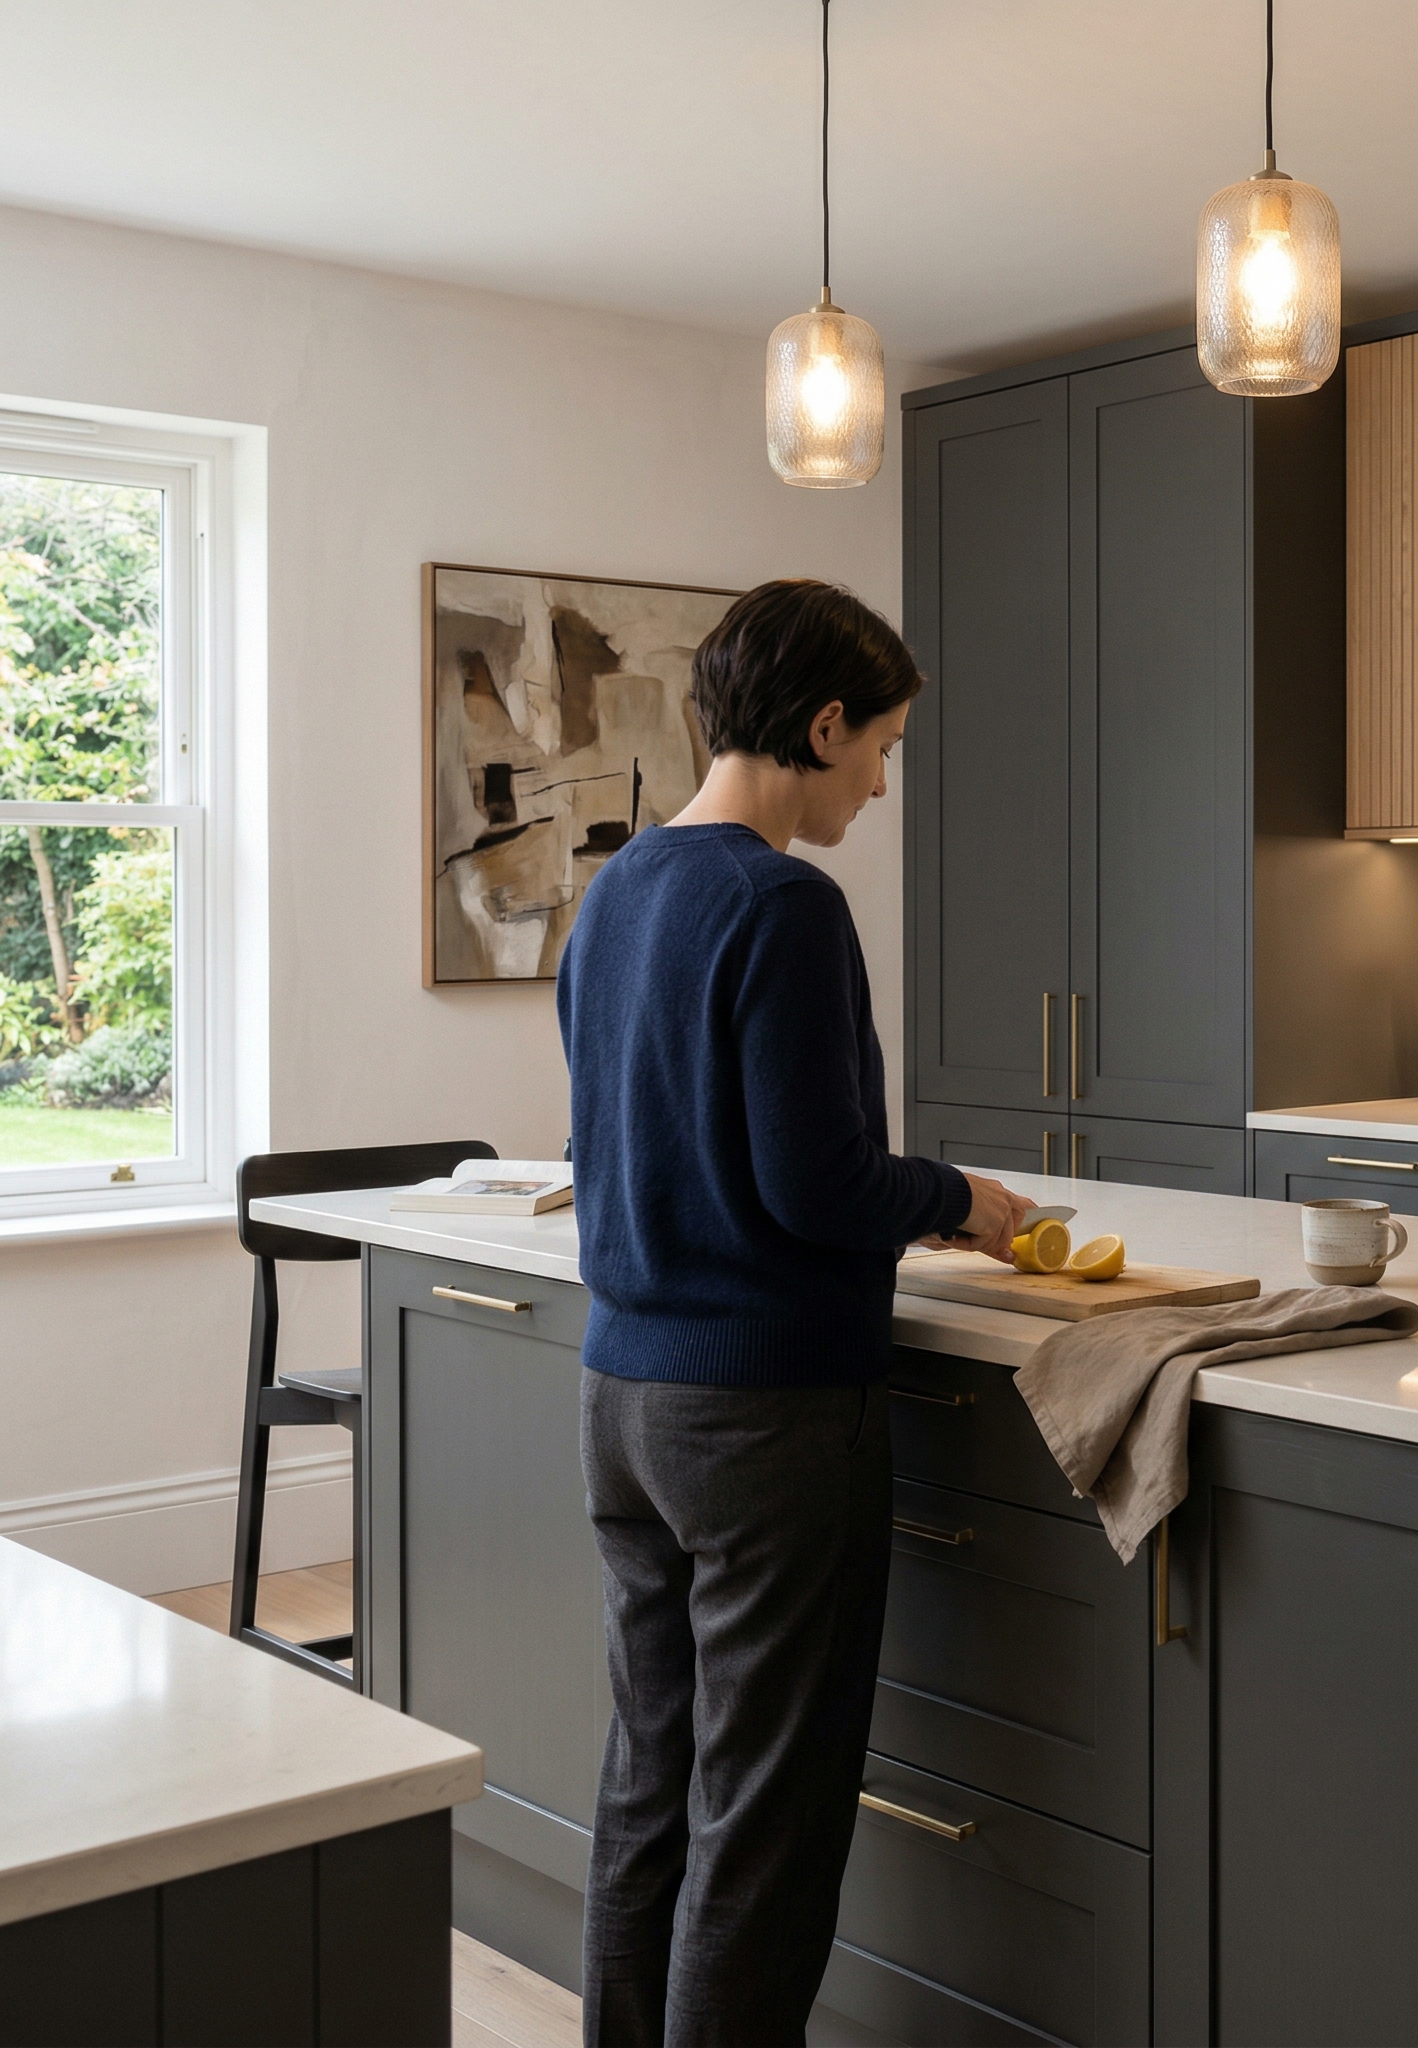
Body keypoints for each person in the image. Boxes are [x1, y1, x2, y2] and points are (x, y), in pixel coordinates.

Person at [556, 578, 1033, 2046]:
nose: (881, 783)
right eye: (881, 746)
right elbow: (818, 1186)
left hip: (627, 1407)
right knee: (764, 1817)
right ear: (821, 725)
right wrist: (964, 1201)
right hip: (764, 1420)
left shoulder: (619, 891)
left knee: (654, 1777)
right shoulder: (781, 902)